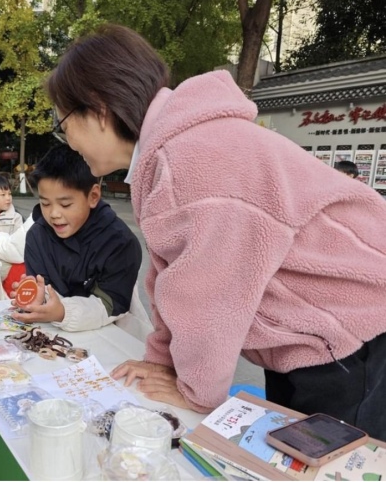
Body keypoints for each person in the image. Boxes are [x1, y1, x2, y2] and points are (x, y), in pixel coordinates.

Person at [44, 24, 386, 440]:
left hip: (352, 332)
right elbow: (173, 280)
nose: (68, 140)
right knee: (286, 454)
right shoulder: (167, 154)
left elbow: (211, 295)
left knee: (333, 462)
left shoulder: (194, 157)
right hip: (307, 337)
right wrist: (162, 362)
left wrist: (196, 391)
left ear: (97, 109)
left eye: (64, 123)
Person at [10, 145, 152, 339]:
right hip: (53, 335)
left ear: (93, 196)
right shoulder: (37, 236)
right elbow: (40, 285)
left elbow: (112, 303)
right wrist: (36, 296)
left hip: (112, 336)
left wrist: (63, 312)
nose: (54, 214)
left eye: (65, 204)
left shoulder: (120, 242)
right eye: (45, 203)